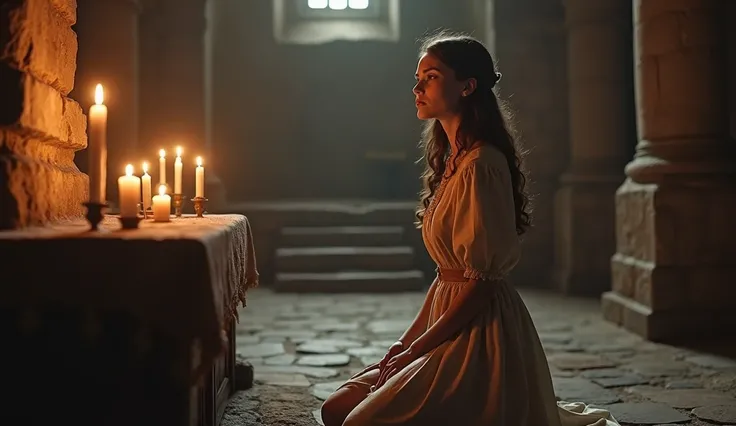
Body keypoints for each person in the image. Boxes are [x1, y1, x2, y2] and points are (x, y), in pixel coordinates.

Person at [320, 31, 620, 426]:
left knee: (359, 422)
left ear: (467, 86)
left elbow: (481, 283)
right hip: (444, 320)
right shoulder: (451, 163)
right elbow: (446, 276)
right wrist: (404, 344)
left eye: (431, 77)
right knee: (335, 408)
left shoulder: (482, 165)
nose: (417, 87)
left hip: (479, 332)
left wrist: (418, 351)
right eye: (418, 77)